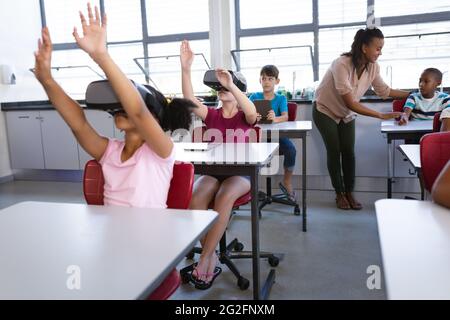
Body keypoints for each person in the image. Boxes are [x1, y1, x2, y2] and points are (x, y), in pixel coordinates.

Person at [33, 3, 195, 208]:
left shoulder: (161, 151)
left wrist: (101, 56)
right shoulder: (109, 151)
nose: (122, 108)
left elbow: (138, 112)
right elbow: (79, 124)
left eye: (125, 104)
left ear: (154, 118)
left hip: (151, 235)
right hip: (112, 232)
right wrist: (47, 80)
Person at [180, 40, 258, 289]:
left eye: (225, 87)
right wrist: (185, 69)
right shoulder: (212, 115)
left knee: (224, 197)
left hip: (240, 174)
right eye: (219, 88)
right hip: (214, 172)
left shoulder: (245, 116)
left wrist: (231, 84)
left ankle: (204, 259)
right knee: (196, 200)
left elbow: (252, 110)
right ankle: (211, 253)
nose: (221, 89)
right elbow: (189, 100)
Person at [313, 27, 408, 210]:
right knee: (334, 150)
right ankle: (339, 193)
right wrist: (380, 115)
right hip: (325, 110)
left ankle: (349, 192)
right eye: (378, 48)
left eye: (381, 48)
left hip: (346, 114)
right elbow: (350, 102)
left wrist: (413, 94)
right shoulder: (341, 64)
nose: (380, 52)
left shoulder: (373, 67)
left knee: (348, 152)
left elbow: (384, 91)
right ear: (364, 47)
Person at [249, 65, 297, 200]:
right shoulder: (254, 96)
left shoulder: (281, 98)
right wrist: (254, 118)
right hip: (260, 137)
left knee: (291, 150)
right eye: (264, 78)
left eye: (270, 79)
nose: (266, 82)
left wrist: (275, 118)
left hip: (277, 137)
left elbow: (285, 117)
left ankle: (287, 181)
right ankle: (251, 186)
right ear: (260, 81)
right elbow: (247, 115)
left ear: (277, 81)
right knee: (249, 152)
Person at [398, 68, 450, 132]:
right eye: (420, 81)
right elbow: (406, 113)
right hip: (415, 132)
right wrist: (404, 117)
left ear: (438, 83)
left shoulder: (445, 98)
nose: (421, 84)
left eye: (426, 81)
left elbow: (448, 114)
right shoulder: (413, 97)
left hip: (434, 132)